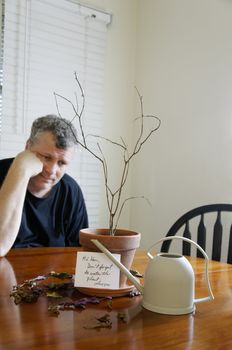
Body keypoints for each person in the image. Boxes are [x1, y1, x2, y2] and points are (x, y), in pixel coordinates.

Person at [0, 114, 88, 257]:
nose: (51, 170)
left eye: (62, 163)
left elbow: (78, 253)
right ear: (27, 147)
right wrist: (21, 168)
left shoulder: (71, 191)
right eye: (46, 157)